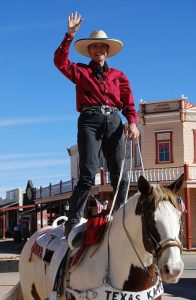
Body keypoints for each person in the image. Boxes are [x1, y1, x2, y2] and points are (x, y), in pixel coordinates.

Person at [54, 12, 139, 239]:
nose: (99, 50)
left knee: (119, 174)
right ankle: (73, 223)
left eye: (103, 47)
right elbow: (60, 62)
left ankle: (119, 216)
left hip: (113, 121)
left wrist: (132, 122)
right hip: (89, 120)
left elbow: (129, 104)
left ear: (107, 51)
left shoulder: (119, 76)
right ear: (90, 51)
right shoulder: (81, 72)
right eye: (95, 47)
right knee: (88, 174)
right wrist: (69, 35)